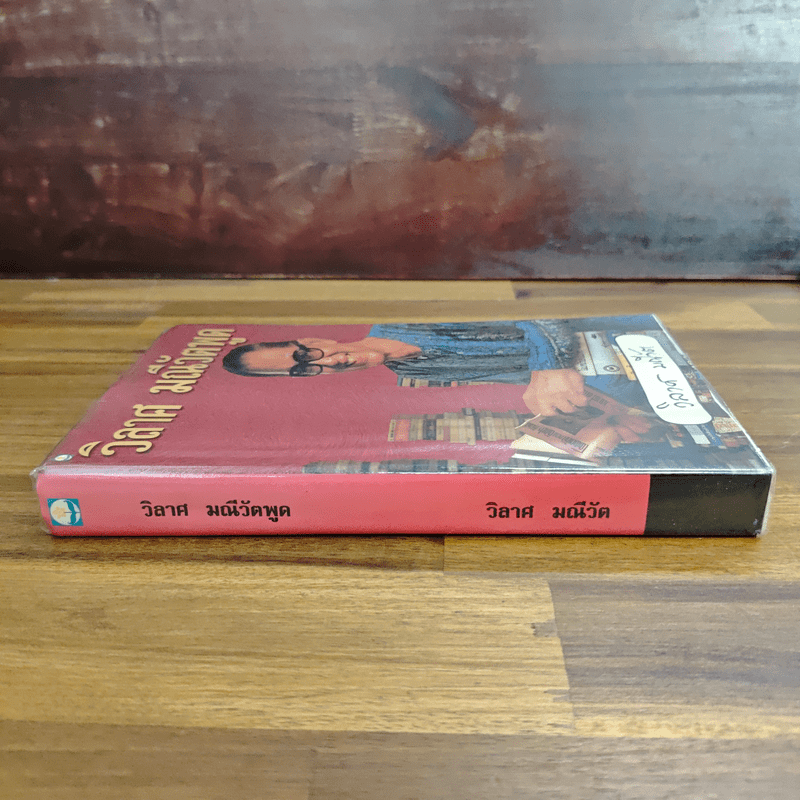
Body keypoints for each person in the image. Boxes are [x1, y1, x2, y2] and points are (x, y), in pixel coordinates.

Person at [221, 320, 588, 416]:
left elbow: (533, 305)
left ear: (313, 338)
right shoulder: (415, 373)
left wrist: (547, 367)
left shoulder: (405, 315)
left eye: (306, 355)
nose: (331, 361)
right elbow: (523, 377)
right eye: (305, 370)